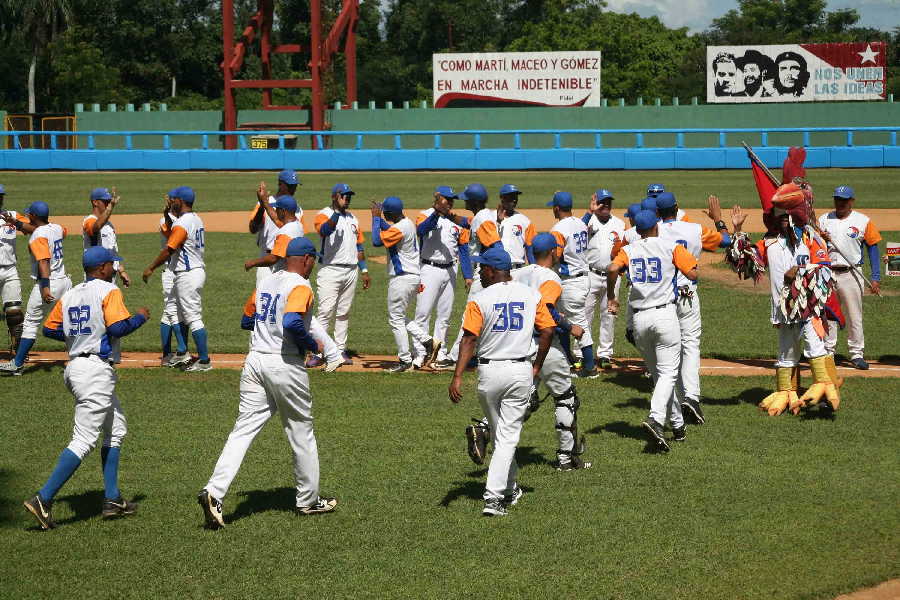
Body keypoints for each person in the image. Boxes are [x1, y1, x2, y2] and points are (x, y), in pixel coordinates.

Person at [198, 237, 337, 530]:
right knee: (301, 433)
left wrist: (268, 328)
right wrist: (311, 344)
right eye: (314, 260)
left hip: (255, 362)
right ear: (307, 259)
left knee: (242, 430)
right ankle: (308, 500)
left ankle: (215, 490)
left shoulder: (267, 282)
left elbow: (247, 320)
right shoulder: (300, 286)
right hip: (284, 364)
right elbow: (292, 323)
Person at [23, 247, 148, 530]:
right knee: (84, 439)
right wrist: (141, 316)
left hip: (76, 368)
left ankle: (113, 499)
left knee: (116, 429)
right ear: (102, 267)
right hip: (94, 373)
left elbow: (50, 329)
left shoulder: (70, 294)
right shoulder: (108, 290)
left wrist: (79, 335)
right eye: (112, 265)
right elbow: (117, 329)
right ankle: (43, 498)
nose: (114, 268)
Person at [448, 246, 555, 517]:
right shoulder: (532, 295)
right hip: (520, 371)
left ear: (494, 270)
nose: (479, 272)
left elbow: (469, 339)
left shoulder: (480, 299)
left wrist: (458, 375)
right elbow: (548, 330)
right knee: (503, 438)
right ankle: (502, 493)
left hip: (489, 375)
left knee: (502, 437)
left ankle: (499, 495)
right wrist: (538, 365)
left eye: (482, 267)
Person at [607, 210, 699, 451]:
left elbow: (611, 268)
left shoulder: (629, 250)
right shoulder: (670, 246)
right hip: (665, 316)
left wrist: (611, 298)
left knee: (660, 376)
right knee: (668, 373)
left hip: (639, 319)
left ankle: (678, 425)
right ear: (657, 227)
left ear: (637, 230)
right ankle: (656, 420)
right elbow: (692, 272)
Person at [749, 188, 840, 417]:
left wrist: (800, 271)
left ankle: (825, 387)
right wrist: (734, 229)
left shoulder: (810, 238)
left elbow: (825, 268)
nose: (783, 222)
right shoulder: (768, 243)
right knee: (786, 352)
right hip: (783, 311)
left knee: (815, 346)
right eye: (779, 217)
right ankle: (786, 392)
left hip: (809, 308)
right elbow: (747, 260)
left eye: (786, 217)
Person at [653, 192, 735, 425]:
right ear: (677, 208)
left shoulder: (653, 232)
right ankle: (691, 397)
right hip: (687, 295)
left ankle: (672, 399)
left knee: (668, 348)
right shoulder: (694, 229)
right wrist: (719, 219)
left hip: (663, 298)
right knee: (690, 345)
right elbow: (726, 241)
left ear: (657, 213)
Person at [516, 233, 592, 470]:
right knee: (566, 399)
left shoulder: (519, 274)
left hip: (519, 345)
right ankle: (566, 458)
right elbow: (547, 310)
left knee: (522, 398)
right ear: (552, 252)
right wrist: (571, 327)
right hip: (544, 345)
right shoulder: (550, 278)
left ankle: (485, 428)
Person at [142, 186, 211, 372]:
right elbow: (172, 232)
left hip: (188, 274)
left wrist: (151, 267)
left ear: (181, 201)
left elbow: (169, 248)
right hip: (193, 271)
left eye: (174, 200)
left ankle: (204, 361)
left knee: (192, 317)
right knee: (181, 314)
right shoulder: (195, 218)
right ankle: (184, 353)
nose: (171, 202)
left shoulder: (184, 222)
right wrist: (167, 213)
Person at [1, 201, 72, 376]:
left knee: (31, 323)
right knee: (69, 322)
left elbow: (43, 261)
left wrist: (45, 287)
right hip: (65, 282)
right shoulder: (56, 228)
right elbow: (57, 231)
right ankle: (81, 356)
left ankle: (17, 364)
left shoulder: (37, 237)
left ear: (32, 216)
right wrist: (16, 222)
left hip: (49, 283)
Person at [817, 185, 882, 370]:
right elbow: (814, 246)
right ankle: (828, 351)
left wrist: (875, 276)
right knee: (828, 314)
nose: (840, 203)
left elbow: (873, 248)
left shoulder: (862, 220)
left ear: (851, 201)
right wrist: (820, 238)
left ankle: (856, 354)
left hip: (852, 273)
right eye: (838, 199)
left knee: (854, 315)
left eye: (844, 200)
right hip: (827, 273)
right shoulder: (824, 220)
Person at [409, 186, 473, 369]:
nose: (450, 202)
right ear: (437, 200)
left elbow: (463, 249)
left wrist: (467, 275)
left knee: (444, 315)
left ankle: (440, 352)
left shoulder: (456, 221)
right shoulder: (425, 214)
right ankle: (420, 353)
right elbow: (421, 230)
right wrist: (437, 213)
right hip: (429, 269)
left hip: (451, 270)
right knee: (423, 313)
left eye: (452, 199)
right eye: (447, 199)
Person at [309, 183, 370, 366]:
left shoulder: (353, 218)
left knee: (344, 313)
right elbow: (324, 230)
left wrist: (365, 269)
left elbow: (359, 246)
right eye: (344, 195)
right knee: (325, 312)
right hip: (330, 270)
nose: (348, 198)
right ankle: (318, 352)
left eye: (349, 196)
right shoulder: (324, 214)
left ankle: (340, 350)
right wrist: (336, 211)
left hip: (351, 270)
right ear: (335, 196)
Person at [440, 183, 496, 369]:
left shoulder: (483, 219)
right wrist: (447, 214)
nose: (463, 200)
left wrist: (489, 269)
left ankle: (455, 357)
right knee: (484, 314)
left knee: (470, 314)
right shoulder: (482, 216)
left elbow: (494, 245)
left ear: (473, 201)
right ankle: (477, 353)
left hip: (485, 272)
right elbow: (467, 223)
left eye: (466, 198)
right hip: (487, 271)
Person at [371, 196, 422, 372]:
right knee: (399, 317)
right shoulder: (407, 223)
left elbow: (376, 241)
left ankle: (405, 360)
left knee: (396, 320)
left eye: (385, 213)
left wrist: (375, 218)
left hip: (402, 278)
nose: (384, 216)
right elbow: (388, 230)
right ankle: (428, 341)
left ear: (390, 212)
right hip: (413, 276)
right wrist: (380, 220)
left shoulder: (399, 228)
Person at [548, 191, 596, 378]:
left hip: (571, 282)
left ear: (556, 208)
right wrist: (589, 212)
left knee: (577, 323)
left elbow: (555, 258)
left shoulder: (558, 229)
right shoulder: (580, 223)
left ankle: (590, 367)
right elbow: (580, 225)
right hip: (584, 278)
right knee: (561, 319)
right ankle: (567, 358)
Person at [582, 189, 625, 369]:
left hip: (612, 277)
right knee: (585, 314)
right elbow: (576, 233)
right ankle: (580, 353)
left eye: (608, 202)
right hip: (590, 274)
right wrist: (589, 213)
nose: (606, 205)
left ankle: (605, 353)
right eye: (602, 202)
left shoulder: (620, 224)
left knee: (609, 315)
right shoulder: (587, 222)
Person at [249, 169, 304, 286]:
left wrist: (265, 204)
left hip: (288, 262)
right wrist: (262, 206)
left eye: (295, 186)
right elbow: (253, 228)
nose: (293, 189)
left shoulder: (296, 208)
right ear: (280, 184)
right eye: (290, 186)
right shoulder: (264, 203)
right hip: (266, 259)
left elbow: (293, 231)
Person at [0, 184, 33, 354]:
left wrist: (16, 223)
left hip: (9, 270)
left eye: (1, 196)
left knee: (15, 313)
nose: (0, 199)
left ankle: (18, 350)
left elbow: (34, 228)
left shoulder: (11, 215)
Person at [157, 190, 190, 367]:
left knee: (180, 313)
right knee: (170, 312)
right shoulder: (165, 220)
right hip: (170, 270)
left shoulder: (185, 219)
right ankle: (171, 353)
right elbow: (172, 239)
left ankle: (176, 352)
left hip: (181, 270)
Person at [82, 187, 131, 288]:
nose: (108, 204)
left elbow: (112, 250)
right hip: (96, 275)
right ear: (95, 202)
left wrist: (121, 270)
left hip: (110, 275)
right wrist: (111, 206)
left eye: (109, 201)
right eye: (106, 202)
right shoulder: (89, 220)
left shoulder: (109, 225)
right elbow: (96, 227)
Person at [243, 195, 304, 274]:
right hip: (294, 271)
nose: (276, 211)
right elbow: (276, 219)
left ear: (283, 211)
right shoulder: (297, 225)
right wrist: (265, 203)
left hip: (284, 275)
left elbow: (273, 258)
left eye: (277, 209)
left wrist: (252, 263)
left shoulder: (286, 232)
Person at [495, 184, 536, 269]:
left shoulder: (525, 221)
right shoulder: (491, 218)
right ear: (502, 198)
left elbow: (530, 249)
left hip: (517, 268)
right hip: (497, 268)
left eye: (515, 197)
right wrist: (498, 222)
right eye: (511, 197)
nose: (514, 200)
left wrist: (534, 269)